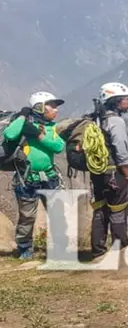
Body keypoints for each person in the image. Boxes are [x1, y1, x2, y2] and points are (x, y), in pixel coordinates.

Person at [2, 92, 66, 259]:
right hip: (27, 178)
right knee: (27, 217)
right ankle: (24, 249)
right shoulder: (22, 126)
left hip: (50, 177)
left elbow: (58, 146)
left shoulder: (51, 127)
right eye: (52, 105)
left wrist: (38, 135)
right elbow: (9, 134)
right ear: (40, 107)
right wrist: (23, 116)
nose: (56, 110)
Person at [90, 82, 128, 258]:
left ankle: (98, 250)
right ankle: (120, 249)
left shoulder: (96, 120)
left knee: (100, 209)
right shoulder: (115, 121)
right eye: (127, 99)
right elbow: (120, 149)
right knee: (118, 209)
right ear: (116, 101)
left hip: (97, 173)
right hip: (114, 173)